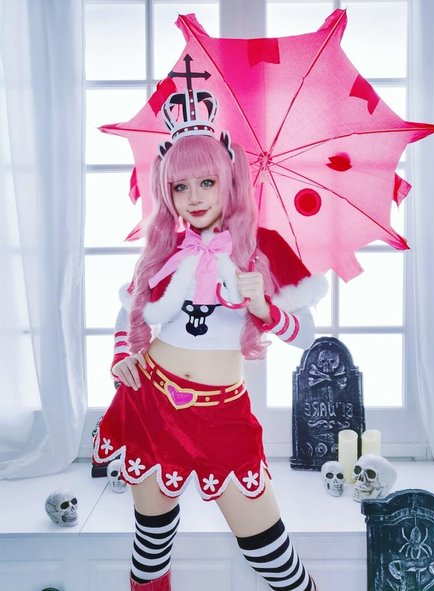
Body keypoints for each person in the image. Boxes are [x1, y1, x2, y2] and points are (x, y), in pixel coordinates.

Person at [93, 84, 327, 591]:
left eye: (206, 182)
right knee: (151, 546)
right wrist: (121, 357)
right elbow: (126, 310)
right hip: (151, 401)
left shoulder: (265, 247)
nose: (194, 197)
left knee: (273, 557)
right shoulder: (165, 247)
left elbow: (307, 335)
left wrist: (264, 308)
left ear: (229, 180)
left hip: (222, 414)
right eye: (180, 187)